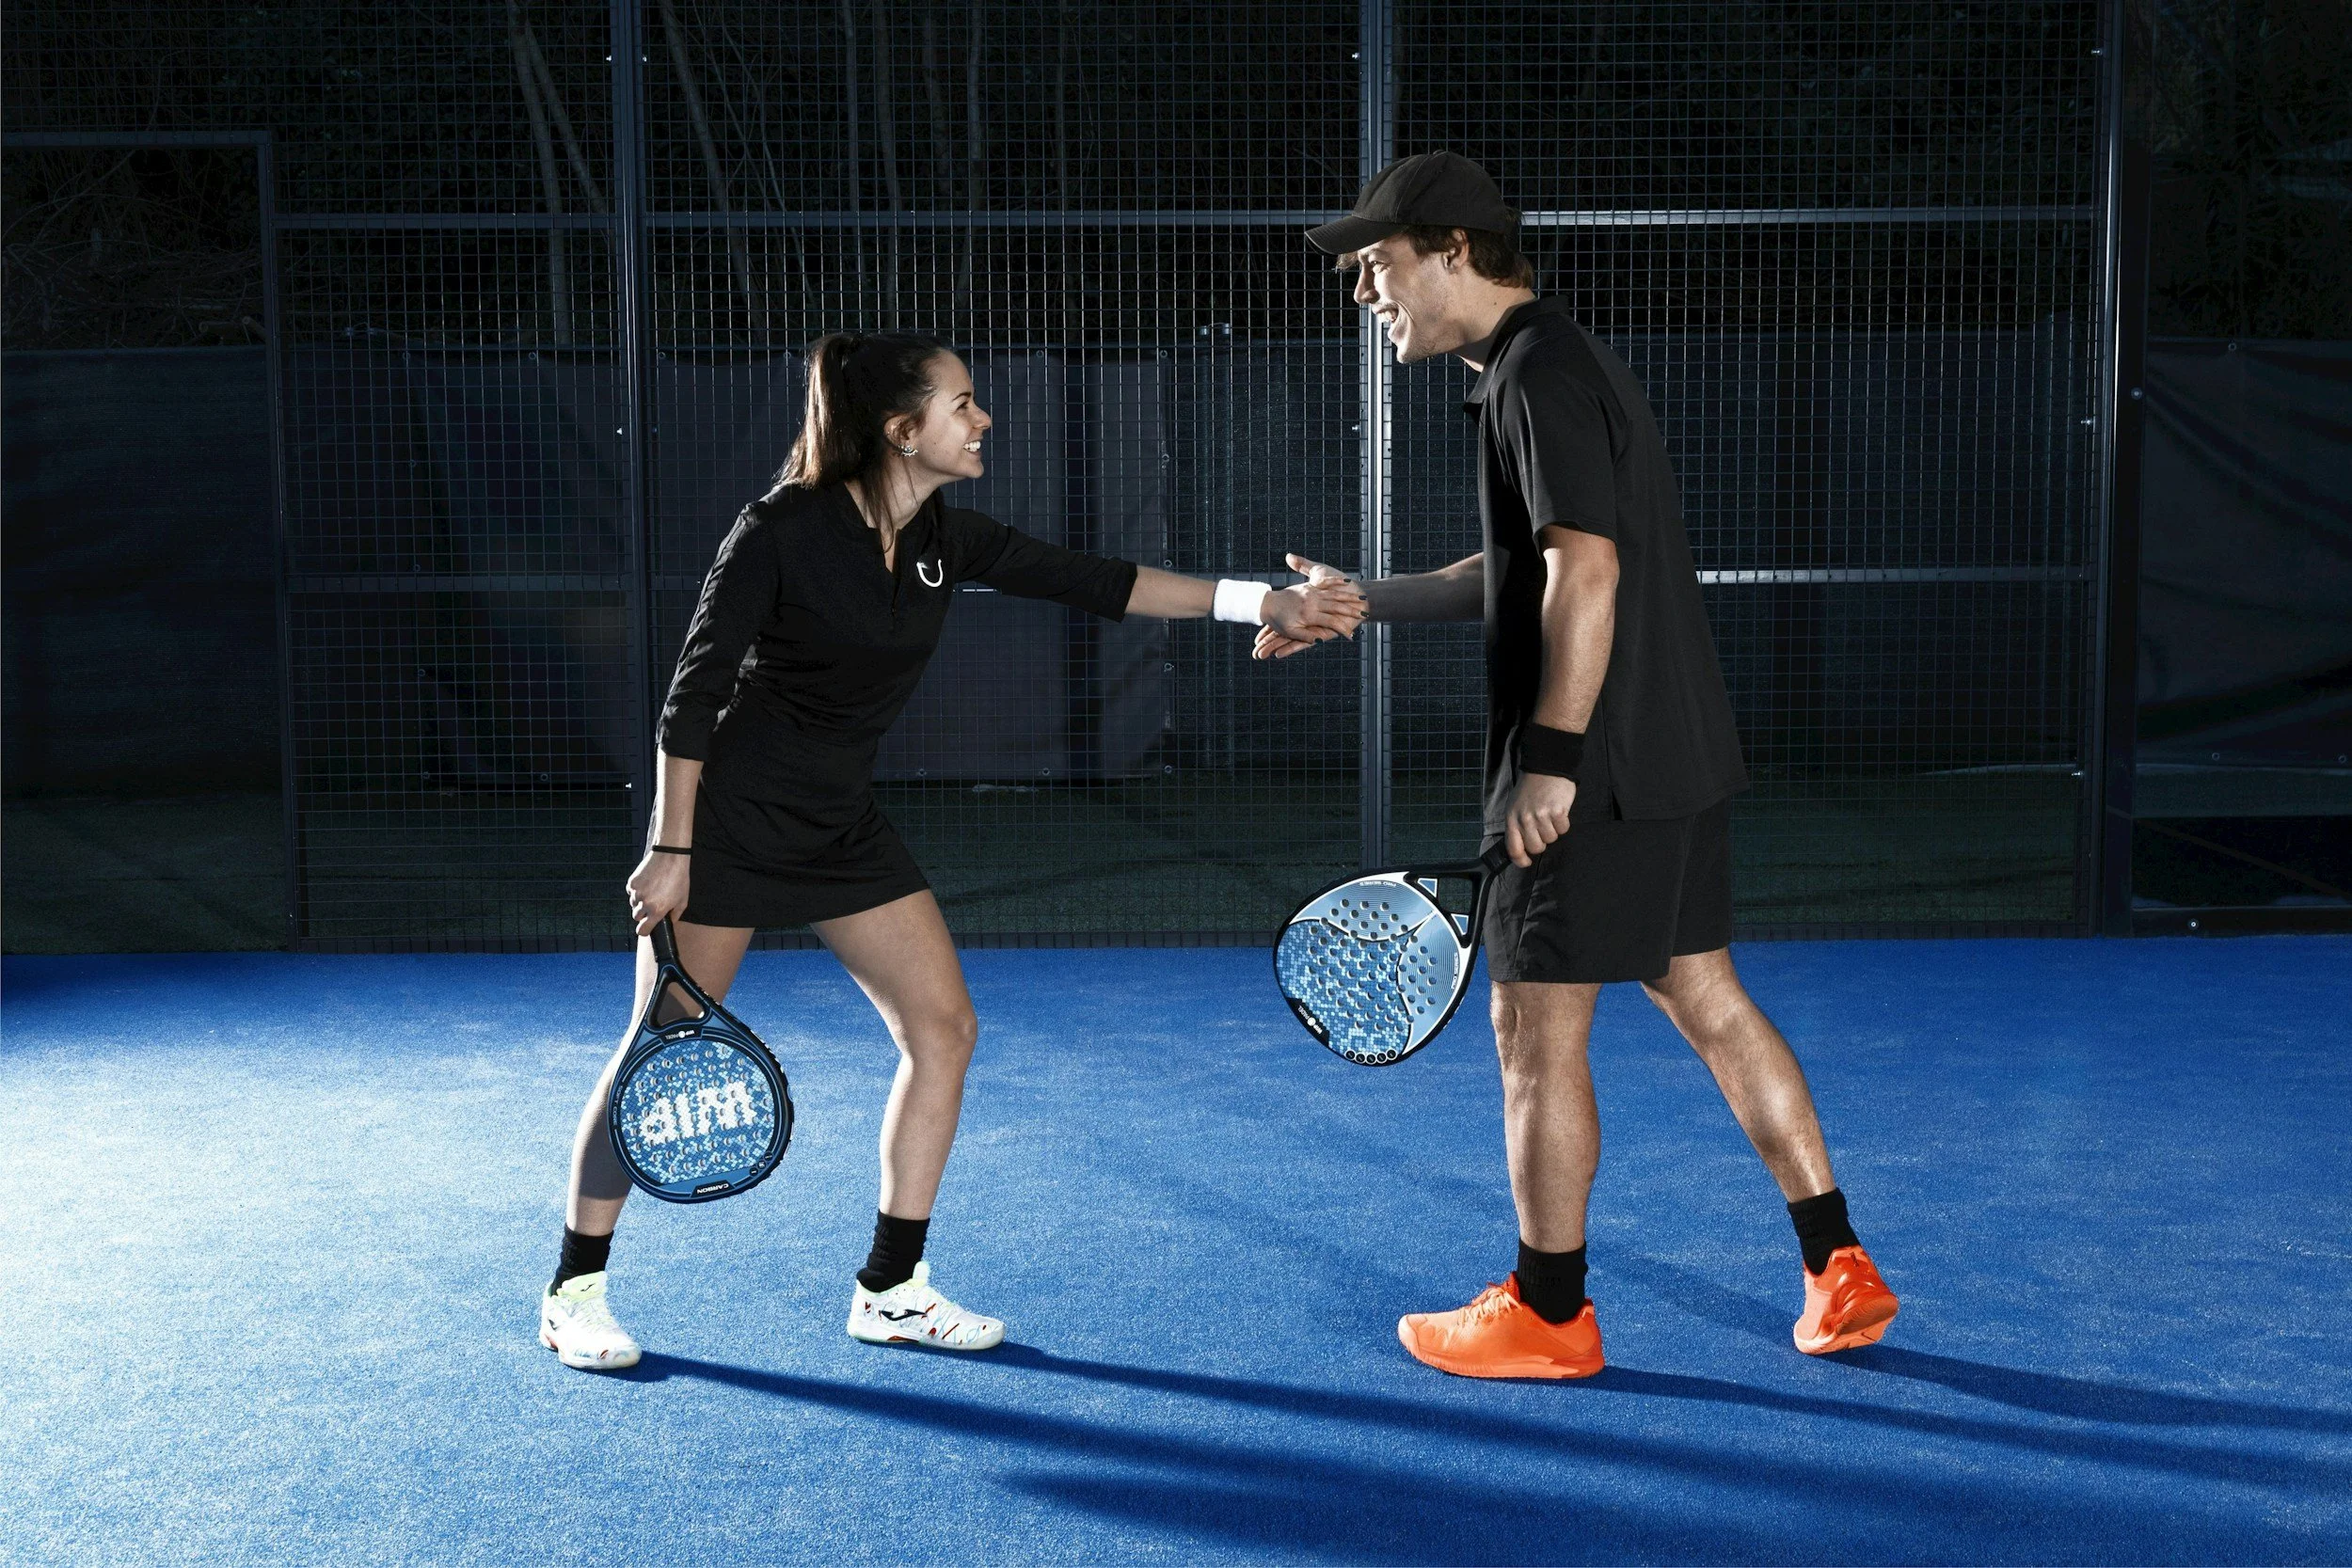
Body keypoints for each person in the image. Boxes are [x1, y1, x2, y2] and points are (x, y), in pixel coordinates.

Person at [539, 330, 1365, 1371]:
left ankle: (890, 1287)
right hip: (732, 819)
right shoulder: (781, 529)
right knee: (660, 1050)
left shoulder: (942, 536)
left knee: (945, 1028)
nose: (981, 420)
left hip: (840, 822)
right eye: (963, 403)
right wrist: (672, 846)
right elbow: (693, 693)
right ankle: (575, 1288)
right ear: (901, 429)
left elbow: (1097, 580)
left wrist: (1263, 600)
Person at [1263, 151, 1899, 1378]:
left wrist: (1549, 763)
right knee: (1709, 998)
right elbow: (1522, 565)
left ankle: (1550, 1312)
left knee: (1531, 1032)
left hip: (1589, 770)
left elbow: (1585, 577)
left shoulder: (1533, 379)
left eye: (1379, 265)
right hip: (1675, 753)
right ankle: (1837, 1261)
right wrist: (1359, 600)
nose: (1364, 292)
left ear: (1453, 250)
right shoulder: (1553, 362)